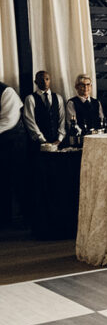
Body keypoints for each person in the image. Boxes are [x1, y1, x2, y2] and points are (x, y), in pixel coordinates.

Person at [0, 80, 26, 228]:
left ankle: (21, 220)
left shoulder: (6, 91)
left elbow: (8, 121)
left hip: (13, 142)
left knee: (15, 180)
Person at [22, 70, 65, 148]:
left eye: (47, 79)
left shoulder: (58, 98)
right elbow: (30, 121)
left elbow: (62, 119)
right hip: (39, 143)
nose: (45, 82)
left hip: (57, 142)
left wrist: (59, 139)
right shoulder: (30, 99)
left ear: (50, 80)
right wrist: (42, 140)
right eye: (41, 80)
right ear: (36, 82)